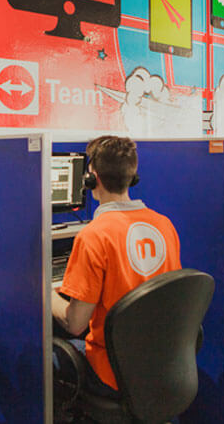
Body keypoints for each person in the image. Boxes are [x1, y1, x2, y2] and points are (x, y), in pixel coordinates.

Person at [52, 136, 181, 395]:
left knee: (43, 353)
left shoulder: (94, 236)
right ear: (132, 177)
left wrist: (46, 292)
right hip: (162, 363)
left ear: (91, 179)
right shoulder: (164, 225)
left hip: (112, 371)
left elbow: (75, 324)